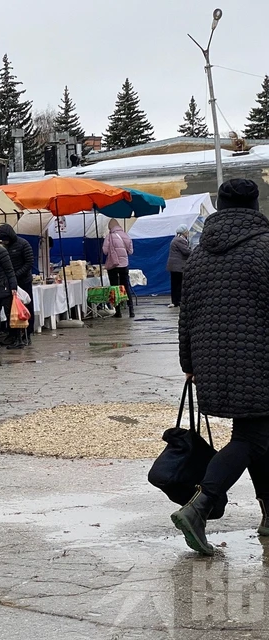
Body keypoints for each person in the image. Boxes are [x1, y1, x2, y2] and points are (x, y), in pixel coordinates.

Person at [172, 179, 269, 555]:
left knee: (258, 435)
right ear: (256, 205)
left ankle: (267, 514)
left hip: (211, 361)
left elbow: (187, 314)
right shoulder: (265, 247)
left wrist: (189, 363)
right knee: (252, 438)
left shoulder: (199, 252)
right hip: (258, 359)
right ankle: (199, 506)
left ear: (220, 206)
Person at [0, 223, 35, 345]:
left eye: (6, 239)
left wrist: (16, 275)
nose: (4, 241)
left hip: (24, 281)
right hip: (10, 283)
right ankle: (12, 334)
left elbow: (29, 263)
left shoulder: (23, 244)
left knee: (26, 308)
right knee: (11, 310)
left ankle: (27, 333)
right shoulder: (3, 247)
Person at [103, 219, 135, 318]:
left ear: (110, 228)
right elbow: (130, 251)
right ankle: (131, 310)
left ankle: (118, 311)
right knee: (125, 286)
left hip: (113, 265)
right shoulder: (126, 236)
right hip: (124, 264)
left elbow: (104, 250)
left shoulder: (109, 236)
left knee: (115, 287)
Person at [166, 224, 191, 308]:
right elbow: (186, 252)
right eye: (186, 231)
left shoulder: (176, 239)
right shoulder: (180, 240)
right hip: (178, 266)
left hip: (173, 266)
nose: (188, 233)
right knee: (179, 284)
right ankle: (178, 301)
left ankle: (175, 301)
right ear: (183, 232)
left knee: (175, 284)